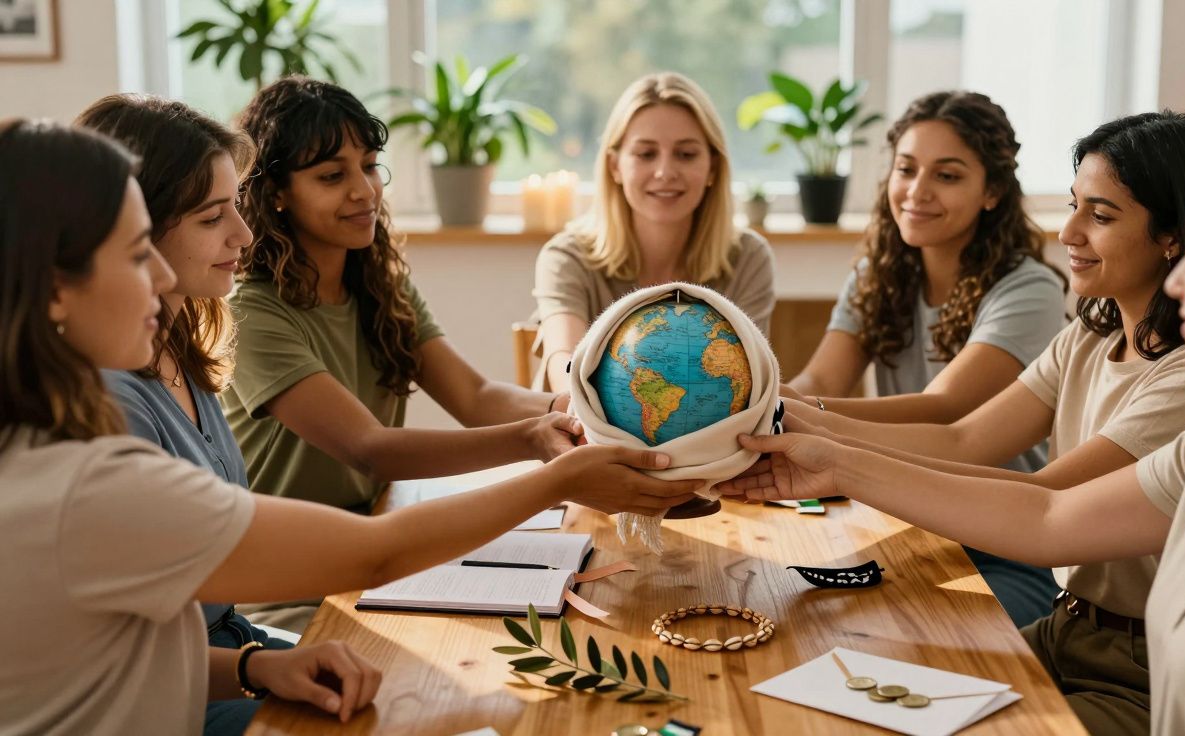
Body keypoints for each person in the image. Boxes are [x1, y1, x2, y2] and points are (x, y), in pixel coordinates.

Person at [0, 118, 701, 735]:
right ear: (53, 285)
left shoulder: (59, 438)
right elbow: (372, 548)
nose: (158, 276)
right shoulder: (89, 475)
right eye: (135, 252)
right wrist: (555, 477)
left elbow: (131, 656)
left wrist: (253, 667)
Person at [724, 120, 1185, 735]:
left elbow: (1041, 499)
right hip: (1070, 629)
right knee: (856, 683)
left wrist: (825, 440)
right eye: (1073, 206)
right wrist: (832, 456)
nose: (1068, 233)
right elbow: (1025, 496)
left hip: (1127, 673)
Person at [222, 77, 687, 630]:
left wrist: (589, 405)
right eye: (332, 176)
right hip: (287, 578)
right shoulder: (252, 311)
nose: (364, 192)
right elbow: (370, 449)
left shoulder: (377, 284)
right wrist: (532, 442)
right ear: (275, 191)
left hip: (374, 546)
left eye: (370, 166)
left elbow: (476, 396)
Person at [785, 90, 1068, 626]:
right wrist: (776, 399)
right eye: (906, 169)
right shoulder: (879, 274)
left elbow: (947, 409)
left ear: (993, 192)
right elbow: (821, 375)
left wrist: (800, 414)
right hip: (901, 523)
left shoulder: (1029, 288)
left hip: (1005, 545)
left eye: (948, 175)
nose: (917, 191)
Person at [74, 93, 301, 735]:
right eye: (210, 218)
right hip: (170, 696)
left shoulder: (180, 349)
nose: (244, 235)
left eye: (238, 207)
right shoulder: (111, 398)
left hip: (228, 652)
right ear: (133, 229)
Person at [532, 71, 776, 391]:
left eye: (686, 154)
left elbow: (750, 386)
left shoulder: (748, 257)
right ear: (615, 166)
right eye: (646, 154)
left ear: (713, 168)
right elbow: (563, 361)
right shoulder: (565, 257)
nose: (665, 172)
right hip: (583, 437)